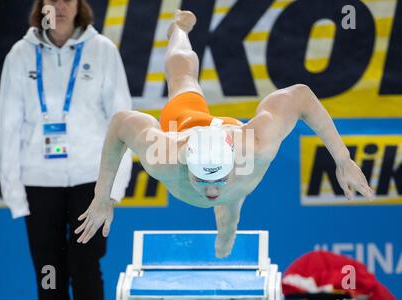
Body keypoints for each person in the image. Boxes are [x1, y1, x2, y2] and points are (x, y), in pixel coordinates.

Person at [75, 10, 374, 259]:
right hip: (188, 126)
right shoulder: (163, 153)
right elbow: (119, 124)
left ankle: (228, 224)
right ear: (186, 166)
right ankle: (178, 29)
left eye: (218, 179)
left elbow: (301, 96)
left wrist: (343, 158)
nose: (211, 190)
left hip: (232, 138)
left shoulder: (256, 144)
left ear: (233, 161)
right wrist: (103, 196)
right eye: (203, 180)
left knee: (230, 214)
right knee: (182, 77)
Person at [0, 0, 132, 299]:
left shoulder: (102, 50)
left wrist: (113, 189)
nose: (59, 6)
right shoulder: (20, 55)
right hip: (39, 182)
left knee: (86, 265)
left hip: (91, 181)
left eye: (67, 0)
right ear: (40, 6)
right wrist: (14, 195)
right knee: (49, 271)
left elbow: (123, 120)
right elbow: (7, 127)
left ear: (78, 6)